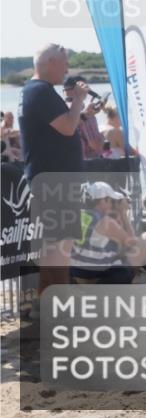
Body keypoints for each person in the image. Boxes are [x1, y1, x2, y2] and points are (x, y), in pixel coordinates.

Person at [17, 44, 87, 294]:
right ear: (50, 63)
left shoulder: (34, 90)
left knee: (55, 250)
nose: (67, 70)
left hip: (53, 181)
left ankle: (48, 309)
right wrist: (77, 100)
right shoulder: (40, 91)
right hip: (55, 183)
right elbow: (68, 127)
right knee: (57, 251)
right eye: (65, 63)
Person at [69, 181, 146, 284]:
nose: (111, 204)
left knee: (119, 253)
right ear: (103, 200)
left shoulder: (80, 215)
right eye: (110, 201)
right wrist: (123, 213)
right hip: (99, 277)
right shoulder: (106, 221)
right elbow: (132, 243)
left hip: (77, 271)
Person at [63, 76, 104, 160]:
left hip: (69, 162)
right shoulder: (86, 113)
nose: (88, 91)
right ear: (79, 89)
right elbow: (96, 146)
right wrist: (103, 136)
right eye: (86, 88)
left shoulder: (60, 109)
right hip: (88, 165)